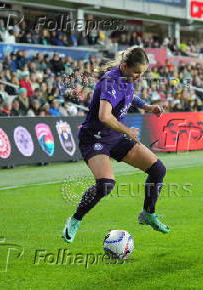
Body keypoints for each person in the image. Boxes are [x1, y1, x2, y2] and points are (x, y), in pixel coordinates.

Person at [62, 46, 169, 243]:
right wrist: (128, 131)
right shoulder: (110, 81)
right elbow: (104, 116)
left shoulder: (127, 78)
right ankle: (75, 219)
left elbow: (129, 96)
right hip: (94, 137)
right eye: (136, 72)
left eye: (142, 73)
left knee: (158, 169)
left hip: (114, 136)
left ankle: (148, 214)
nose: (138, 76)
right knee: (106, 184)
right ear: (124, 65)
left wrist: (146, 106)